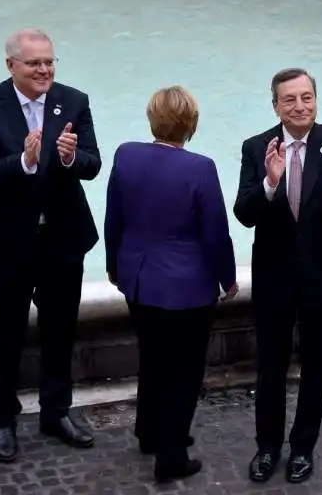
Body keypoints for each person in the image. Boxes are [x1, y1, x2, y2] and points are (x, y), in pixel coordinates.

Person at [0, 28, 101, 462]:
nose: (44, 70)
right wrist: (23, 161)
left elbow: (92, 164)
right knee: (4, 333)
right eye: (34, 63)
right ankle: (3, 418)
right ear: (11, 66)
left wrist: (67, 158)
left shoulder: (74, 100)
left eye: (49, 62)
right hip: (6, 243)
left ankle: (56, 411)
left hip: (62, 239)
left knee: (60, 329)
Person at [233, 68, 322, 484]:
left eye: (306, 97)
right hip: (275, 280)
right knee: (270, 370)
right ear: (275, 105)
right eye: (289, 99)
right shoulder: (257, 147)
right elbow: (244, 213)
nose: (300, 106)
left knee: (316, 369)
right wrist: (270, 185)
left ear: (316, 100)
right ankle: (267, 448)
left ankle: (302, 449)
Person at [104, 85, 238, 482]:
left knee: (153, 357)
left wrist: (115, 266)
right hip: (186, 286)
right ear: (191, 124)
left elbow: (115, 218)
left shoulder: (126, 155)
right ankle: (171, 455)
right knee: (184, 370)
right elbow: (215, 233)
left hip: (140, 279)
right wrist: (227, 279)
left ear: (152, 118)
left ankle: (148, 431)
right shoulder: (200, 168)